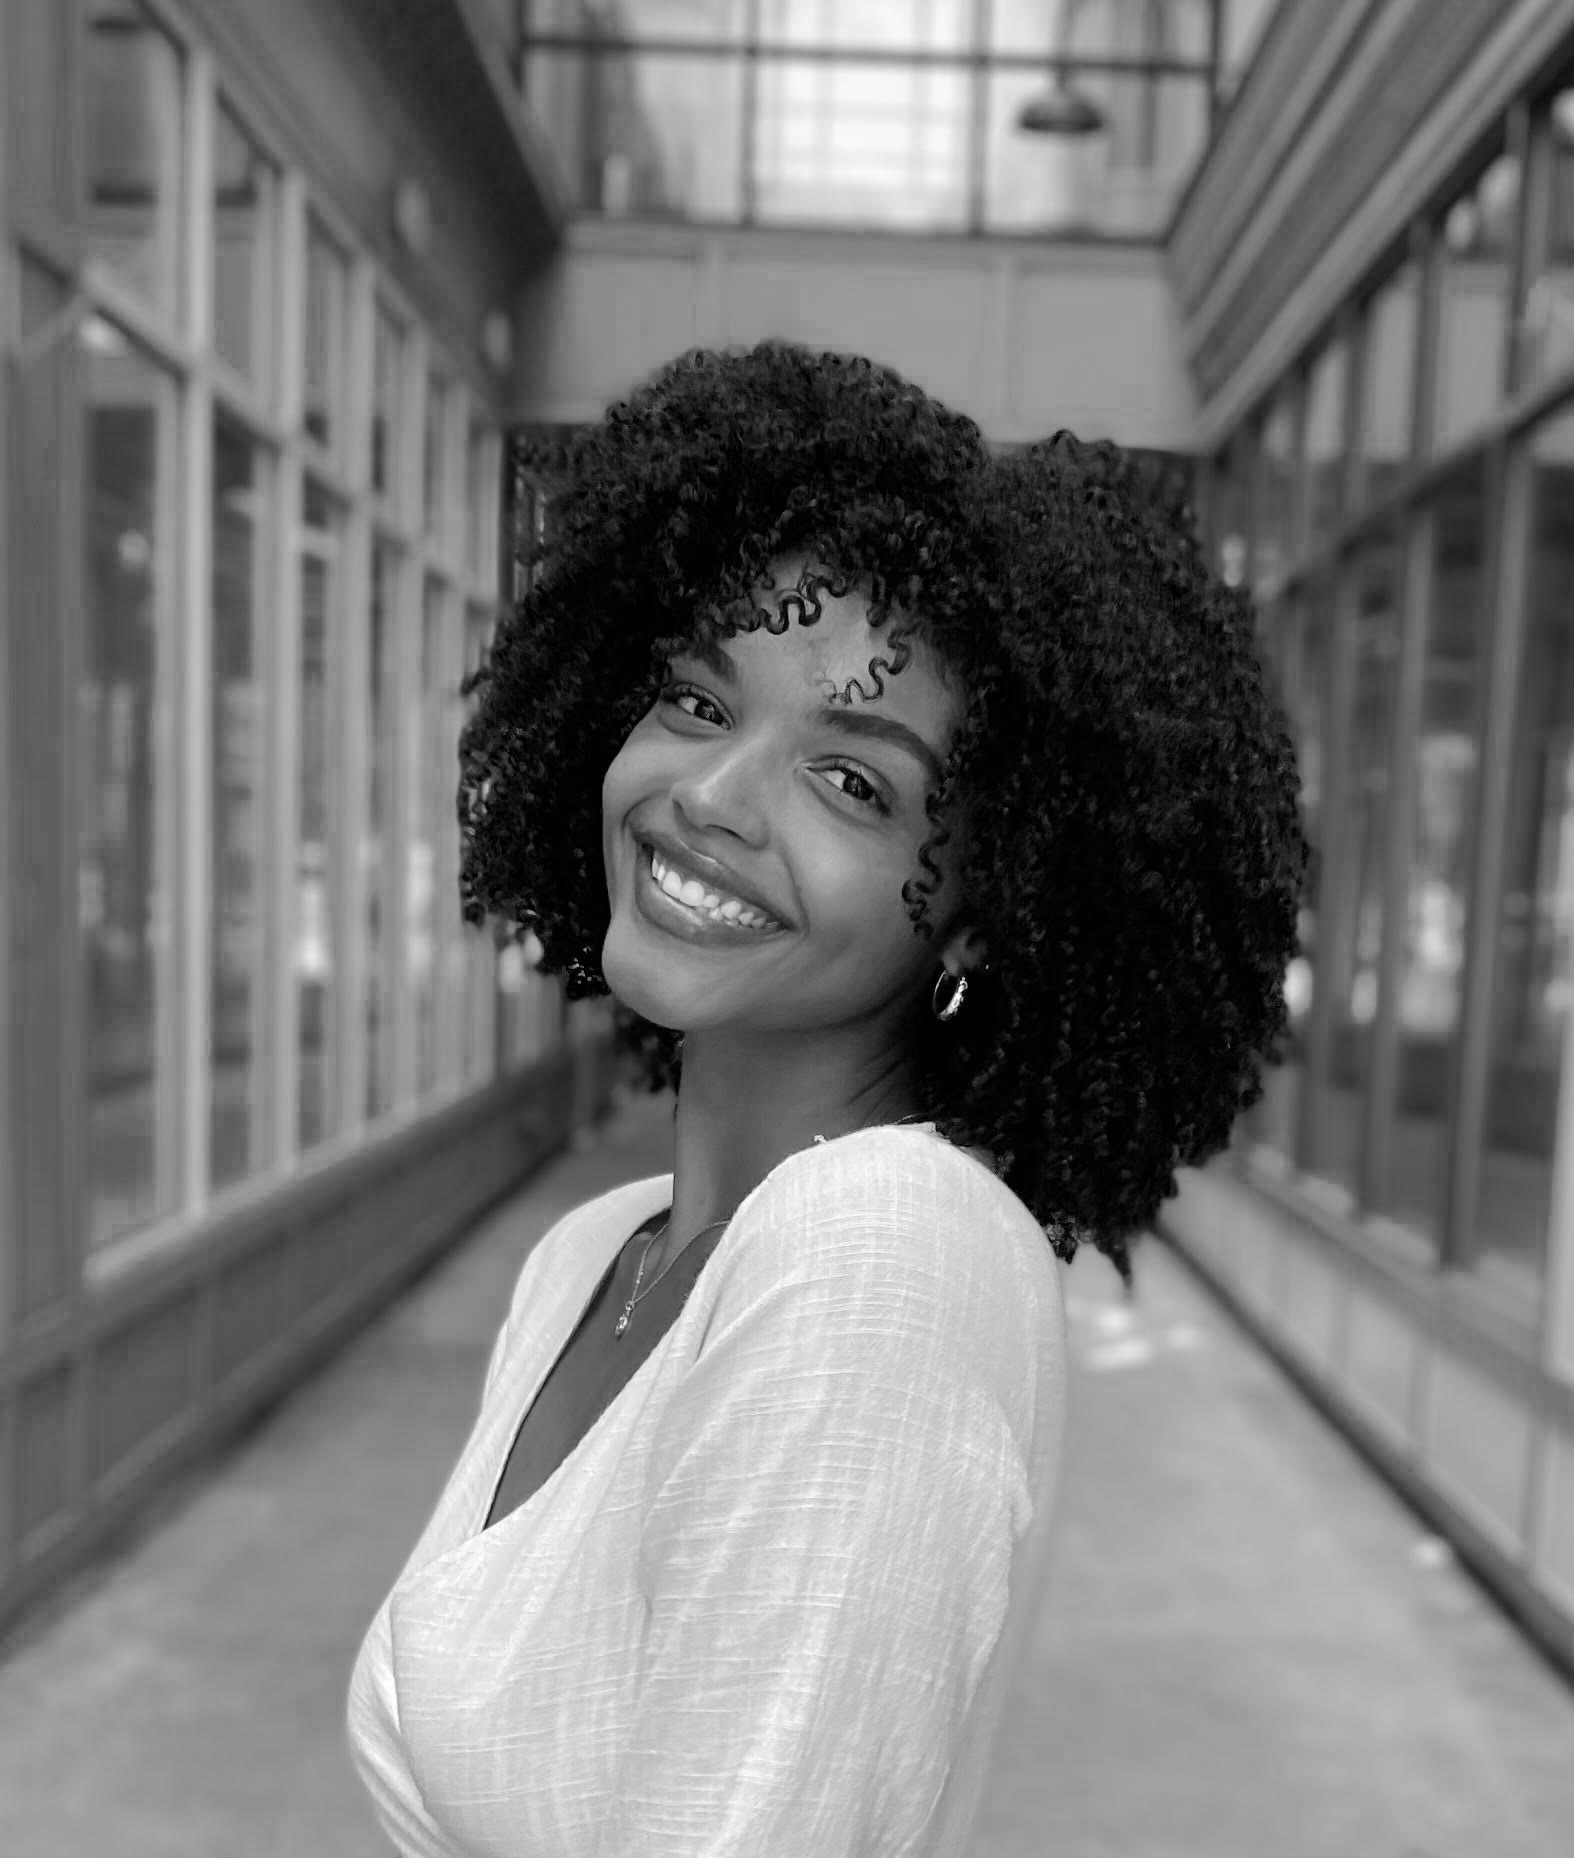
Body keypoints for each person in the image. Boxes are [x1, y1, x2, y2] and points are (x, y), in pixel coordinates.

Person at [345, 340, 1308, 1856]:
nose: (712, 797)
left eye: (854, 782)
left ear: (984, 912)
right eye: (695, 698)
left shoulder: (883, 1252)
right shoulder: (587, 1263)